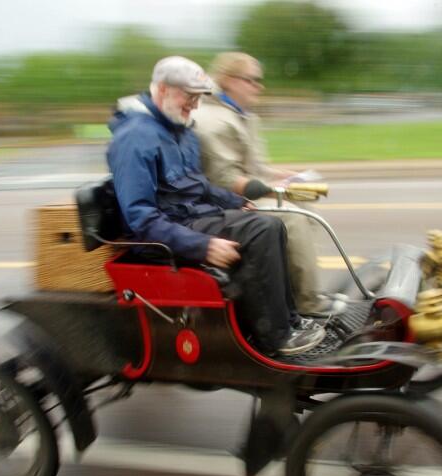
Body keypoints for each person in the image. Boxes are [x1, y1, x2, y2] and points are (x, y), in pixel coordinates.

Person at [106, 56, 325, 356]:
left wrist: (236, 201)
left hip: (191, 218)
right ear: (162, 90)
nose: (194, 105)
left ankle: (289, 320)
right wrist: (201, 246)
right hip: (166, 233)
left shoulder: (178, 129)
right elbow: (140, 218)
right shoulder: (135, 138)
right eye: (189, 96)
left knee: (273, 223)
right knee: (261, 230)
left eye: (198, 98)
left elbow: (200, 186)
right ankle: (274, 337)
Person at [193, 52, 338, 317]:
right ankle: (308, 302)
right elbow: (225, 179)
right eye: (252, 80)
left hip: (242, 192)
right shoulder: (214, 121)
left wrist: (284, 176)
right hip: (222, 202)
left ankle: (295, 289)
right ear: (228, 80)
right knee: (291, 217)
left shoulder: (240, 115)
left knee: (304, 206)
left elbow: (254, 167)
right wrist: (275, 189)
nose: (259, 87)